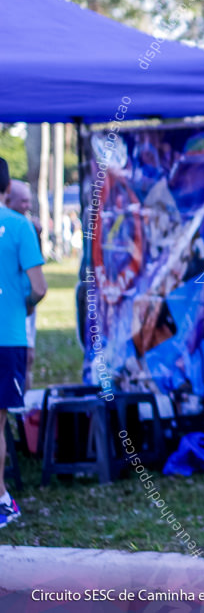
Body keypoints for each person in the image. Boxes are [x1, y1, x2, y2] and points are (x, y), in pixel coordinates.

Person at [0, 158, 47, 529]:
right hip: (7, 335)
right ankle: (1, 498)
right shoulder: (19, 227)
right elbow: (40, 288)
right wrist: (23, 305)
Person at [5, 181, 39, 391]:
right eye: (24, 200)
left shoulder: (26, 226)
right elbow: (39, 286)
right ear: (8, 196)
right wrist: (30, 302)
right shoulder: (20, 227)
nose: (28, 205)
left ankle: (22, 413)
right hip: (13, 319)